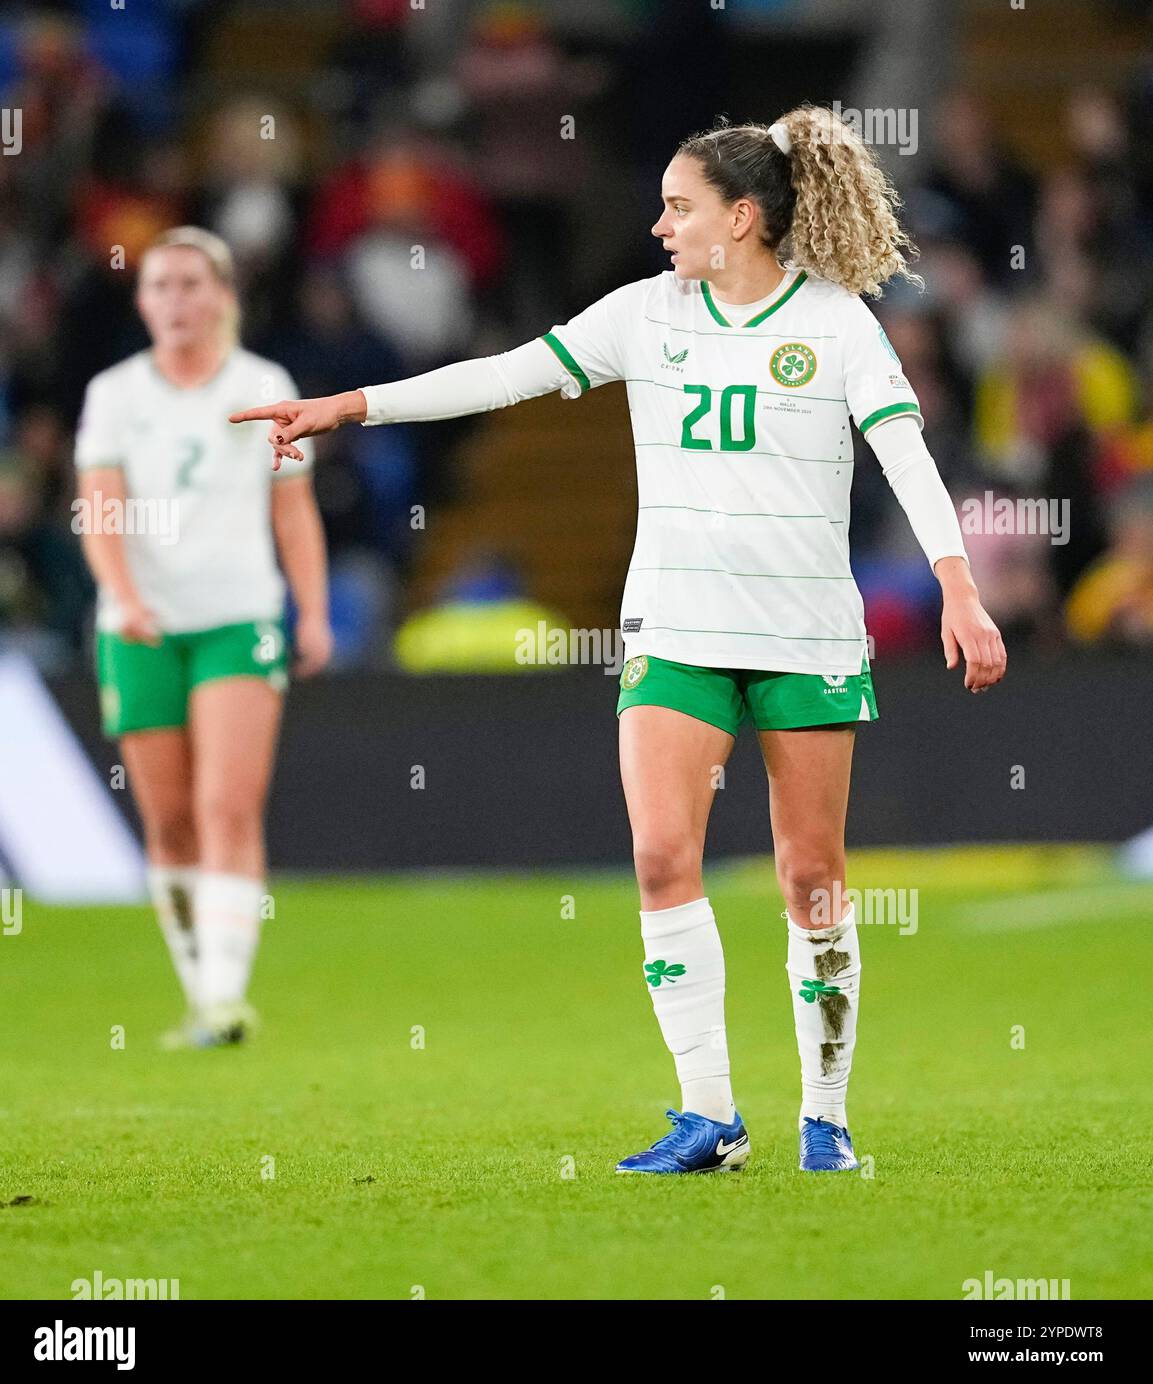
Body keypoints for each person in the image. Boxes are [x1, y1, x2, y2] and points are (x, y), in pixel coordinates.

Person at [230, 107, 1006, 1171]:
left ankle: (823, 1117)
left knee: (810, 877)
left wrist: (956, 590)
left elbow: (904, 455)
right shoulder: (643, 315)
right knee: (656, 855)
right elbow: (502, 374)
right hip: (676, 622)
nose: (657, 226)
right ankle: (709, 1114)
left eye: (677, 207)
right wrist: (349, 406)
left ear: (740, 218)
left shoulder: (835, 323)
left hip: (804, 629)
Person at [76, 226, 331, 1047]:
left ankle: (224, 995)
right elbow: (100, 511)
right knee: (170, 820)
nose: (176, 301)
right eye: (159, 286)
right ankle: (199, 991)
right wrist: (123, 597)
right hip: (140, 624)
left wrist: (312, 610)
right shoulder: (115, 394)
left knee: (228, 803)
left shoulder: (263, 383)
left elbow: (293, 511)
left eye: (191, 284)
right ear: (142, 300)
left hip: (238, 617)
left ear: (223, 294)